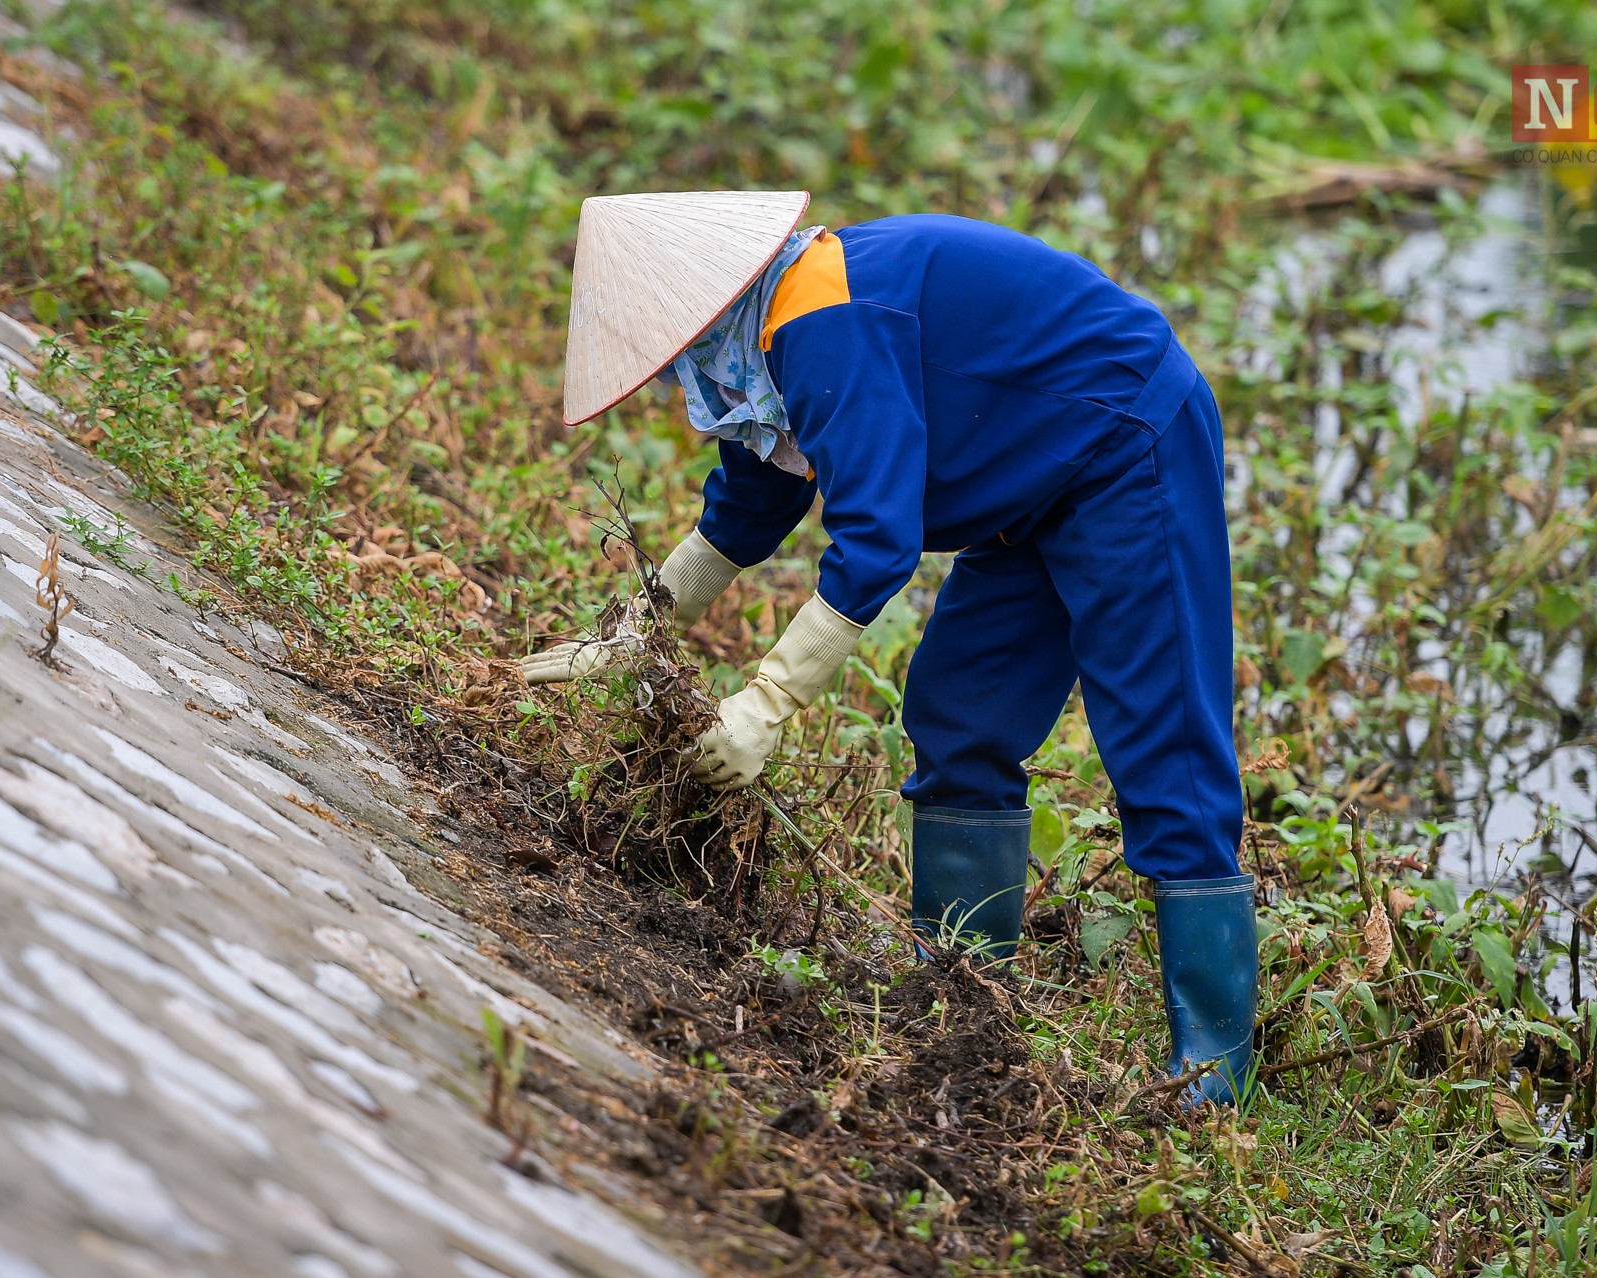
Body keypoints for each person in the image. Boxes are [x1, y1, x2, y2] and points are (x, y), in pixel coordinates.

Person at [522, 190, 1254, 1105]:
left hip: (1124, 442)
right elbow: (753, 502)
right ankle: (960, 992)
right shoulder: (761, 338)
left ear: (702, 312)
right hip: (1024, 489)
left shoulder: (821, 319)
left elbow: (876, 538)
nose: (677, 381)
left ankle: (1214, 1072)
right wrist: (637, 629)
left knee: (1162, 742)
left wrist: (768, 703)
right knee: (958, 716)